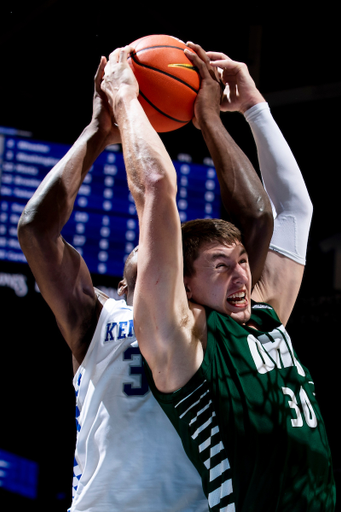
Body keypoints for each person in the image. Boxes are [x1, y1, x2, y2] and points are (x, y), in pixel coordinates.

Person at [17, 49, 273, 511]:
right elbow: (35, 229)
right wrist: (97, 132)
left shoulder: (211, 312)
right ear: (121, 286)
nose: (162, 248)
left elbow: (256, 219)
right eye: (148, 248)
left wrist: (210, 121)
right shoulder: (94, 318)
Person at [101, 42, 336, 511]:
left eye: (243, 261)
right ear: (184, 285)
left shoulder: (266, 317)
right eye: (221, 266)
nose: (241, 276)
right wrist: (127, 99)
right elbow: (155, 188)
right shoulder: (182, 346)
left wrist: (253, 107)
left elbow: (294, 212)